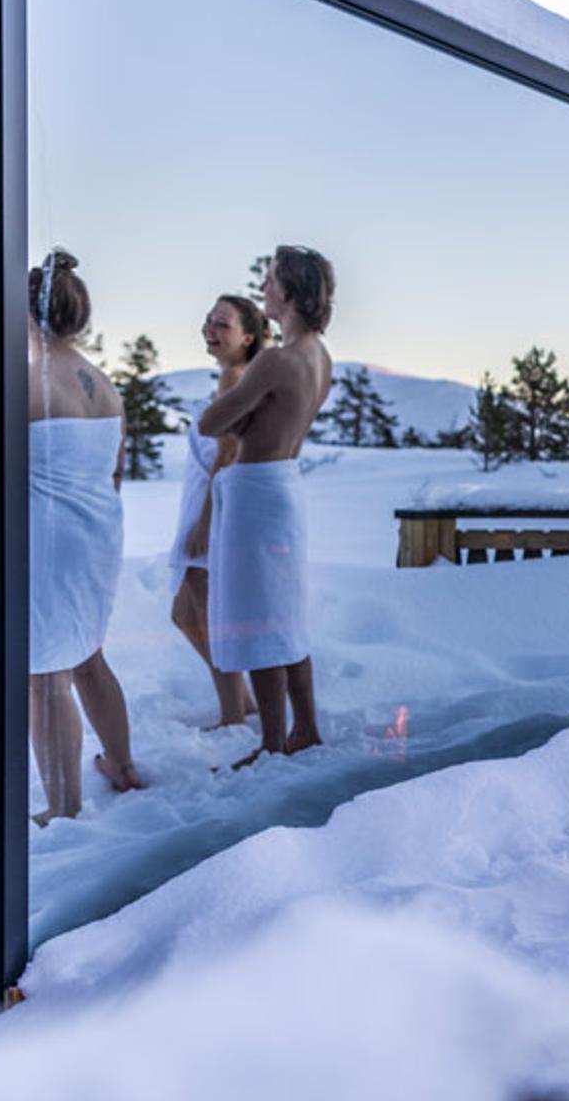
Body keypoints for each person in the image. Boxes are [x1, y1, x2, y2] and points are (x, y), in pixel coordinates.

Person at [197, 245, 333, 768]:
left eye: (271, 281)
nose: (264, 289)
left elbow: (211, 422)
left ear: (291, 292)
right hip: (286, 484)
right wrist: (250, 420)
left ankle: (274, 742)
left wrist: (240, 419)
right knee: (286, 615)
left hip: (257, 492)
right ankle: (307, 728)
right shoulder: (320, 355)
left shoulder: (277, 359)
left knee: (257, 619)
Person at [27, 249, 143, 822]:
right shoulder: (106, 385)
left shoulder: (28, 377)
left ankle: (64, 806)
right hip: (99, 532)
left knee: (45, 675)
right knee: (89, 655)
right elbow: (115, 470)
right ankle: (121, 765)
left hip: (50, 538)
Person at [170, 295, 265, 729]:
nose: (209, 328)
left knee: (207, 614)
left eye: (222, 324)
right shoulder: (232, 376)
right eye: (208, 320)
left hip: (215, 505)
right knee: (185, 614)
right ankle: (240, 699)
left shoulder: (235, 379)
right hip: (203, 500)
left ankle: (233, 713)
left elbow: (228, 451)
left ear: (248, 336)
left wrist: (207, 521)